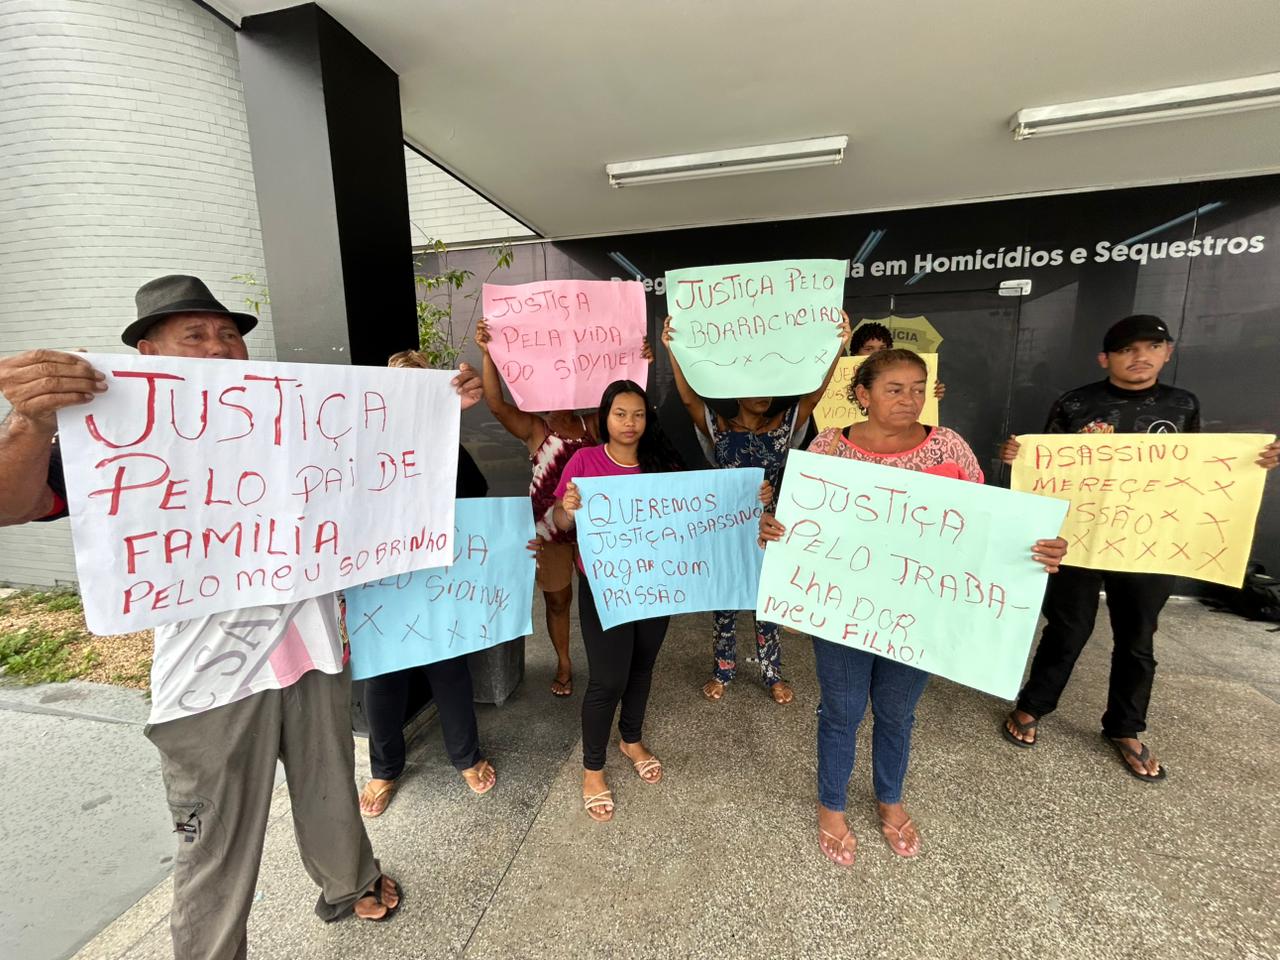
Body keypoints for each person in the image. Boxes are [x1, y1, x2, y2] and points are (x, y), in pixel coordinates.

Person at [0, 275, 484, 958]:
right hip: (211, 678)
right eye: (195, 335)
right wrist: (31, 421)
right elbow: (12, 503)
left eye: (229, 334)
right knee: (215, 839)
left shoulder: (289, 423)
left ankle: (351, 881)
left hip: (313, 648)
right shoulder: (116, 431)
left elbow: (382, 473)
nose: (221, 347)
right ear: (147, 350)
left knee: (327, 786)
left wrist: (440, 408)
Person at [759, 348, 1067, 865]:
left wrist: (1035, 551)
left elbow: (985, 527)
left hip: (920, 617)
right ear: (862, 394)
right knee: (842, 711)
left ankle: (889, 798)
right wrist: (775, 530)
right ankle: (832, 805)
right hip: (842, 611)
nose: (910, 399)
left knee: (898, 713)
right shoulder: (829, 447)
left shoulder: (948, 447)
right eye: (894, 388)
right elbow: (801, 520)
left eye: (918, 387)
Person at [999, 314, 1280, 780]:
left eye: (1152, 347)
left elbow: (1198, 469)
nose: (1140, 357)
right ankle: (1034, 705)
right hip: (1081, 538)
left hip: (1150, 541)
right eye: (1128, 349)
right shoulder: (1076, 404)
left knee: (1138, 639)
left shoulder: (1182, 405)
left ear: (1168, 352)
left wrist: (1250, 463)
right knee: (1067, 629)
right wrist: (1017, 457)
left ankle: (1125, 727)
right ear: (1105, 358)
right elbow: (1045, 465)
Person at [662, 311, 852, 704]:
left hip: (773, 530)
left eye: (769, 385)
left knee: (769, 603)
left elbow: (814, 394)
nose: (762, 393)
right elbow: (686, 398)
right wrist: (671, 349)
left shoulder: (785, 425)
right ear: (735, 389)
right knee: (727, 601)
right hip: (728, 529)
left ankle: (772, 674)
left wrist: (838, 345)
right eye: (753, 385)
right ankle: (723, 671)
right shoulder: (719, 427)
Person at [473, 318, 654, 698]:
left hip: (600, 534)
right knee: (557, 600)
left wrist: (643, 363)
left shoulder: (595, 424)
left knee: (603, 600)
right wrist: (488, 353)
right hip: (552, 530)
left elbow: (630, 410)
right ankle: (564, 662)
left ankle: (606, 663)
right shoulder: (535, 430)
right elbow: (494, 403)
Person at [358, 350, 497, 817]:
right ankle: (384, 768)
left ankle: (466, 756)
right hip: (379, 583)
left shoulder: (449, 448)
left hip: (437, 581)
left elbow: (478, 506)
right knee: (382, 677)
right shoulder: (361, 448)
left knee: (449, 669)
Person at [551, 380, 684, 822]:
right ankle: (593, 768)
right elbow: (558, 520)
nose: (630, 423)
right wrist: (568, 507)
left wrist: (752, 499)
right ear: (604, 417)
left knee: (643, 665)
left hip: (655, 584)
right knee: (608, 679)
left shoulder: (661, 463)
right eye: (620, 414)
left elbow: (696, 513)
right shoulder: (585, 461)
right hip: (604, 585)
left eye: (638, 414)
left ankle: (631, 738)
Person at [850, 320, 946, 399]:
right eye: (869, 349)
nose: (877, 354)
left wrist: (929, 394)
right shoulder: (837, 376)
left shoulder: (903, 375)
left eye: (882, 348)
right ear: (855, 353)